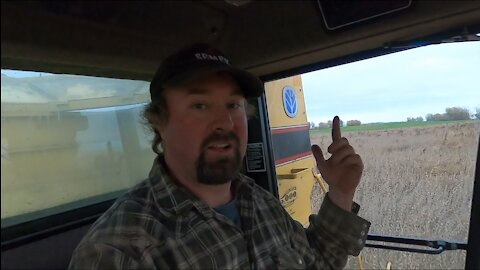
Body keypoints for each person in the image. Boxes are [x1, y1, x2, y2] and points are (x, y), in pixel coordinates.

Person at [69, 43, 370, 269]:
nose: (225, 124)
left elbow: (316, 262)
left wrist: (341, 193)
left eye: (233, 105)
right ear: (159, 121)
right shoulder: (119, 251)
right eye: (200, 105)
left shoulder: (259, 201)